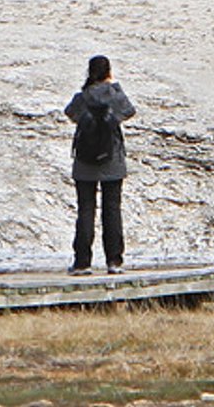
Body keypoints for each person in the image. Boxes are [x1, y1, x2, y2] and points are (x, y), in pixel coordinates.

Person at [64, 53, 135, 275]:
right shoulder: (114, 95)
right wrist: (114, 86)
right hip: (112, 160)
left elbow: (70, 113)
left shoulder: (82, 97)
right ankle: (114, 261)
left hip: (84, 162)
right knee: (112, 210)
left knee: (86, 210)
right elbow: (129, 110)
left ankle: (82, 262)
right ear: (108, 72)